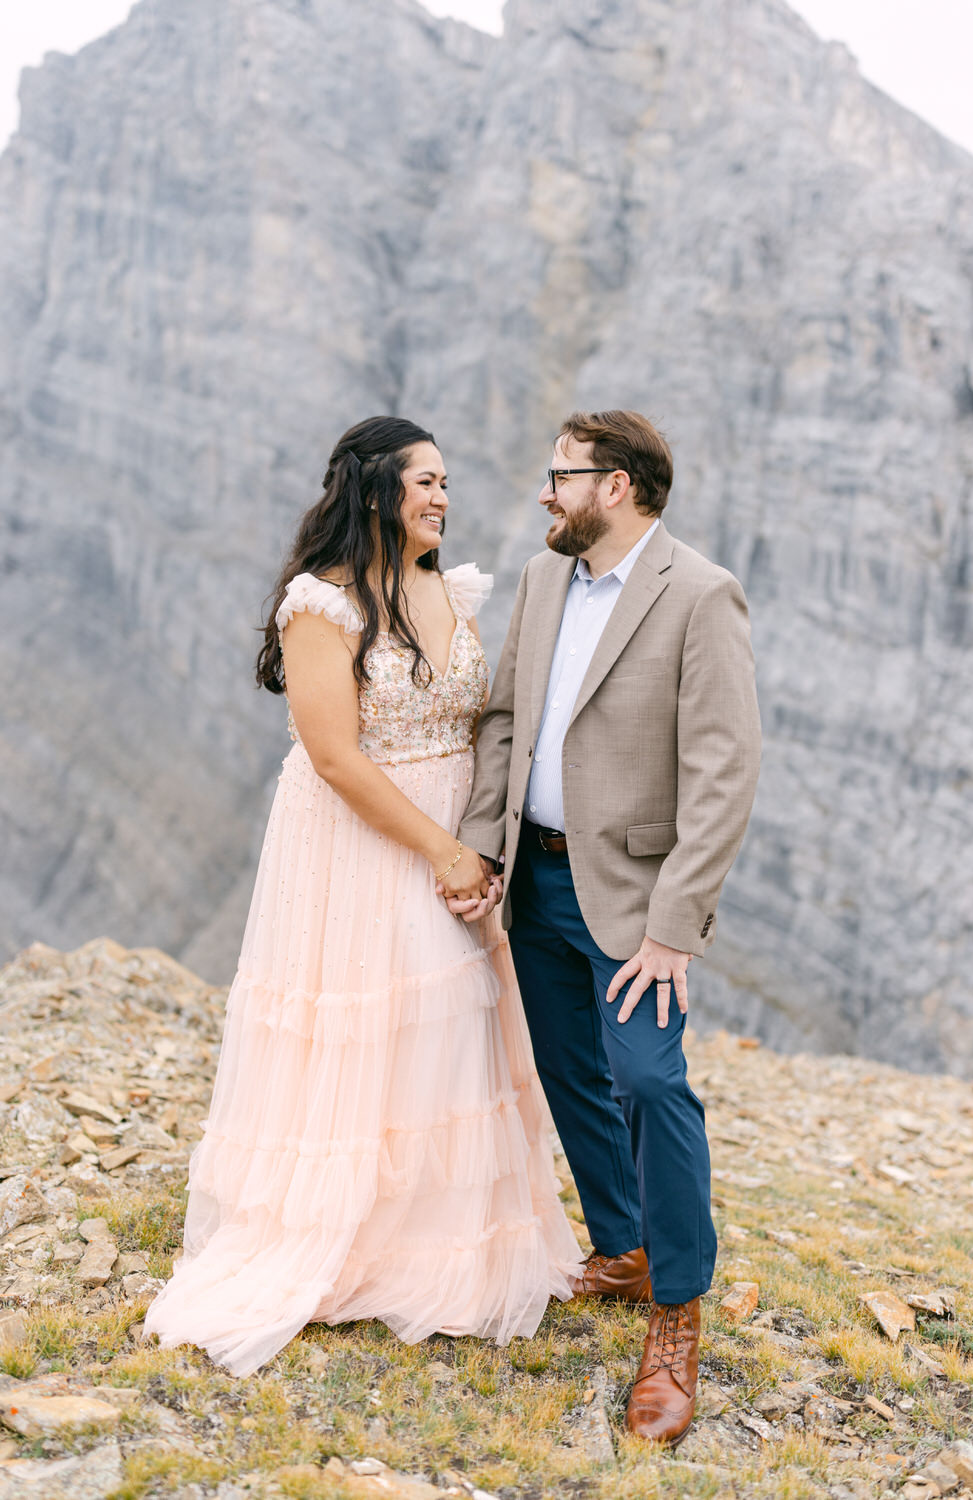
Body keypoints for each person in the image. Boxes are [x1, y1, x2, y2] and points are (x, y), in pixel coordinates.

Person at [143, 416, 583, 1376]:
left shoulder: (444, 589)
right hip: (363, 841)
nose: (442, 498)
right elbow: (336, 756)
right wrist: (441, 852)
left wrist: (484, 844)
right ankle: (346, 1237)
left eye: (446, 483)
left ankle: (432, 1236)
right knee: (375, 1024)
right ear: (374, 489)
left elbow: (487, 722)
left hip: (456, 836)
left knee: (452, 1030)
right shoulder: (322, 605)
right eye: (425, 481)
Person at [452, 409, 761, 1446]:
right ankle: (621, 1247)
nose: (544, 492)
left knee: (649, 1081)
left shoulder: (700, 595)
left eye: (560, 476)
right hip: (535, 885)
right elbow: (504, 719)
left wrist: (673, 928)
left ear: (616, 485)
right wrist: (484, 848)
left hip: (633, 902)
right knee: (569, 1071)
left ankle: (673, 1316)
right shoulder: (543, 580)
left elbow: (723, 774)